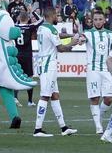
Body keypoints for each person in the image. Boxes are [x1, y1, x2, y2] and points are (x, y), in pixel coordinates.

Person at [33, 9, 81, 137]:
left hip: (43, 63)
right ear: (52, 15)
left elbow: (56, 35)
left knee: (54, 95)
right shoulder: (51, 29)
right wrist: (73, 43)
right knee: (45, 96)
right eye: (56, 15)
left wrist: (70, 35)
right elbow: (61, 48)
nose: (57, 18)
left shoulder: (42, 28)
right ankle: (37, 129)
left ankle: (64, 128)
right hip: (49, 65)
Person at [84, 9, 112, 134]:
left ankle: (99, 115)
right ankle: (98, 126)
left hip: (107, 68)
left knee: (109, 98)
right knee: (95, 97)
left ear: (104, 20)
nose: (98, 22)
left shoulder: (110, 34)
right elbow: (81, 40)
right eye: (95, 19)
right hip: (93, 69)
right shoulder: (87, 33)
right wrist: (79, 39)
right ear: (92, 20)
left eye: (100, 19)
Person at [14, 10, 43, 107]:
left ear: (19, 18)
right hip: (27, 55)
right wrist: (33, 12)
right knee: (29, 77)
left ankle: (15, 98)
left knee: (17, 76)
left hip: (17, 54)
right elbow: (41, 20)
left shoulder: (15, 27)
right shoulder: (30, 27)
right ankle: (30, 101)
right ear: (27, 19)